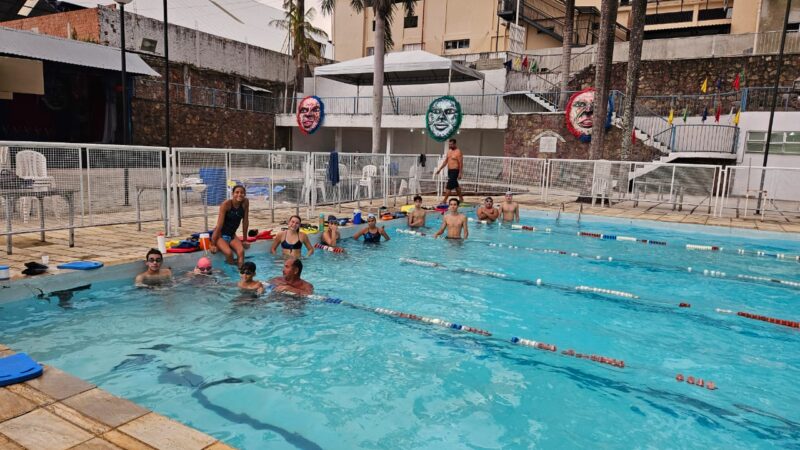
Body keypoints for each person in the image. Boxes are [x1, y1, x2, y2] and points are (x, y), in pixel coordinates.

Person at [210, 185, 250, 269]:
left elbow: (245, 222)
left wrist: (245, 240)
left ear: (245, 194)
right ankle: (232, 275)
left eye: (242, 193)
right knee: (229, 253)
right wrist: (213, 244)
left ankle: (241, 273)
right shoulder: (226, 204)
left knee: (241, 252)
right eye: (237, 192)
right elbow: (219, 225)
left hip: (232, 235)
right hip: (220, 235)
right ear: (232, 194)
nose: (239, 194)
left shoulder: (245, 203)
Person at [434, 139, 464, 204]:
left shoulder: (458, 152)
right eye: (449, 144)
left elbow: (461, 163)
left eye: (451, 144)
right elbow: (445, 161)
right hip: (450, 171)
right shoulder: (449, 151)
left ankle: (444, 200)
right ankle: (461, 199)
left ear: (455, 144)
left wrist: (460, 173)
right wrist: (439, 169)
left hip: (455, 171)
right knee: (456, 186)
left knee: (449, 186)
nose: (450, 145)